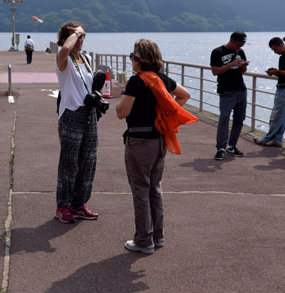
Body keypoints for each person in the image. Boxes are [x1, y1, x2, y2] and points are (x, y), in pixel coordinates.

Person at [116, 39, 191, 254]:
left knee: (140, 190)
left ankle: (143, 241)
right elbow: (185, 95)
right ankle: (158, 236)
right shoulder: (164, 80)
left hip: (140, 141)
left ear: (139, 59)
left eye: (133, 57)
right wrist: (165, 113)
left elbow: (122, 112)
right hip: (160, 140)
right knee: (154, 188)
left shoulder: (137, 82)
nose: (132, 61)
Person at [54, 21, 100, 224]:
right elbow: (64, 50)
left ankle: (79, 204)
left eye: (82, 37)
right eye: (76, 37)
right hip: (71, 114)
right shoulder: (63, 60)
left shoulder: (87, 59)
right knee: (69, 163)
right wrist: (77, 32)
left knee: (88, 161)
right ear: (66, 39)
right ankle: (63, 206)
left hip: (89, 115)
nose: (80, 40)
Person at [210, 31, 249, 160]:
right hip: (226, 91)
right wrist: (230, 65)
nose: (239, 47)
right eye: (237, 44)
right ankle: (221, 148)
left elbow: (242, 71)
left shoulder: (240, 52)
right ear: (231, 40)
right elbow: (215, 71)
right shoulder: (217, 52)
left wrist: (243, 66)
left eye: (241, 44)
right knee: (224, 119)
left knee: (239, 119)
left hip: (241, 90)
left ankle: (231, 146)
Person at [254, 37, 285, 147]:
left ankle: (267, 137)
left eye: (275, 49)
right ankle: (278, 139)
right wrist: (276, 72)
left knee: (277, 115)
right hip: (282, 87)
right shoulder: (283, 56)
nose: (275, 52)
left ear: (280, 44)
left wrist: (278, 72)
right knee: (281, 115)